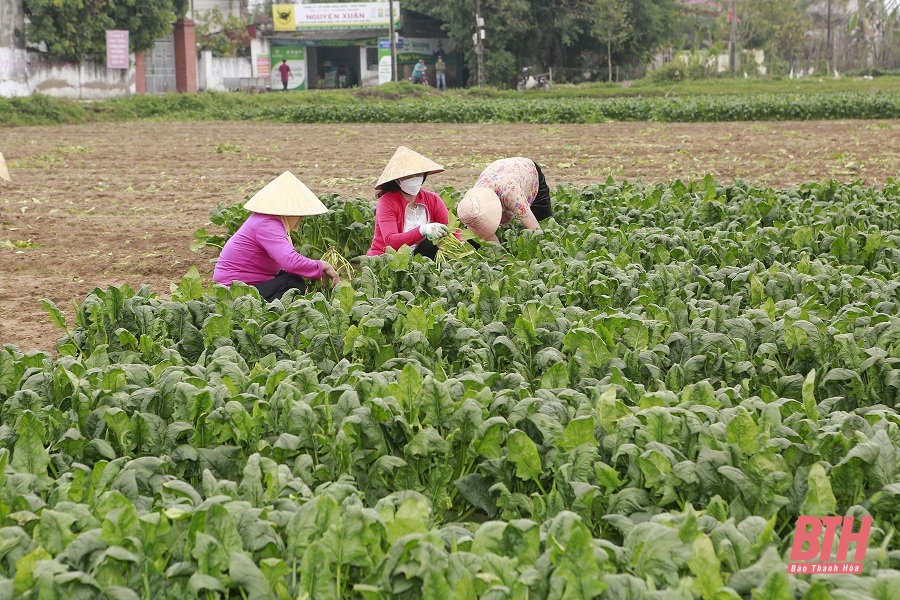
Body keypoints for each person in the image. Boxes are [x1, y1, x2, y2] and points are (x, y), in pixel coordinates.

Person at [213, 171, 340, 301]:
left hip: (242, 287)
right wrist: (321, 265)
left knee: (288, 275)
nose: (301, 217)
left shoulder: (265, 220)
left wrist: (312, 269)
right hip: (232, 292)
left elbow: (287, 263)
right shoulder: (268, 224)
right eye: (300, 213)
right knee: (293, 284)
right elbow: (290, 261)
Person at [367, 146, 450, 260]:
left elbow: (450, 229)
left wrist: (463, 247)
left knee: (435, 242)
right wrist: (422, 230)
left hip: (419, 258)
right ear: (397, 179)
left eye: (418, 175)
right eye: (409, 176)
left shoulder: (433, 199)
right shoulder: (386, 202)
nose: (414, 179)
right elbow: (392, 242)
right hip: (387, 259)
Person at [456, 157, 552, 243]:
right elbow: (493, 245)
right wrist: (504, 260)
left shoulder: (510, 194)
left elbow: (535, 229)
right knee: (476, 242)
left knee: (543, 222)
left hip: (526, 171)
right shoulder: (471, 207)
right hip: (497, 173)